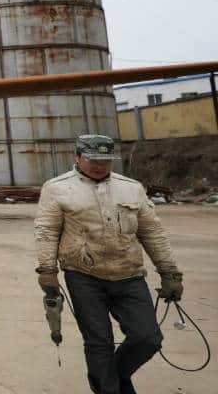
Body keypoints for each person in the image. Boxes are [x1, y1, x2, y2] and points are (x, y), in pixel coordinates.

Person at [34, 134, 184, 394]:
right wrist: (48, 272)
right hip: (83, 277)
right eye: (93, 159)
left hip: (129, 275)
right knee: (98, 342)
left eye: (105, 160)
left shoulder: (132, 188)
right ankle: (110, 389)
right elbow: (46, 231)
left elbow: (152, 233)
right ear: (77, 157)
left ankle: (113, 377)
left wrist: (170, 272)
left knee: (148, 337)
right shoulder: (57, 188)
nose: (99, 166)